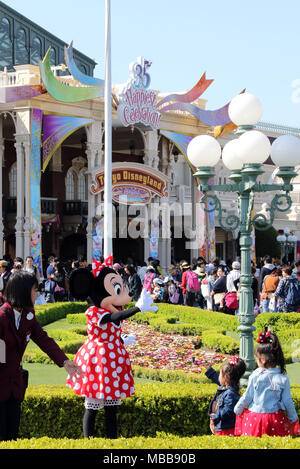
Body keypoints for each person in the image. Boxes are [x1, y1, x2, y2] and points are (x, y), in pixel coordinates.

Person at [66, 255, 158, 439]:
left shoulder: (109, 310)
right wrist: (137, 309)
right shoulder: (95, 312)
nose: (123, 296)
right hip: (97, 360)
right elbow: (112, 319)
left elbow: (112, 328)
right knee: (92, 406)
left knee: (111, 407)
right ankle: (88, 441)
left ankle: (111, 440)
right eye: (117, 290)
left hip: (113, 359)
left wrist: (123, 340)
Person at [0, 271, 82, 441]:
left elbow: (43, 339)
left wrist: (64, 361)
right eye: (34, 290)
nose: (37, 293)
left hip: (15, 387)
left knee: (12, 437)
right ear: (22, 291)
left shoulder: (28, 314)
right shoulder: (1, 317)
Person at [234, 330, 300, 437]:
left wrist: (237, 409)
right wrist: (293, 418)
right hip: (274, 419)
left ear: (263, 359)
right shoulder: (283, 379)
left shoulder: (255, 375)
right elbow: (288, 401)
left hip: (254, 419)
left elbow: (247, 396)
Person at [205, 357, 246, 436]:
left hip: (226, 430)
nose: (219, 376)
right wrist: (209, 370)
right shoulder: (227, 387)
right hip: (223, 427)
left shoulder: (230, 393)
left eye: (220, 374)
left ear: (226, 378)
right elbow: (218, 380)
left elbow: (227, 412)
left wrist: (214, 417)